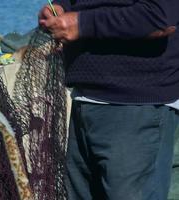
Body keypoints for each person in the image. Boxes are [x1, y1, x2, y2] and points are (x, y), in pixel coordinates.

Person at [38, 1, 179, 199]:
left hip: (135, 108)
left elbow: (159, 19)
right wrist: (60, 9)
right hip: (84, 100)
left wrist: (82, 23)